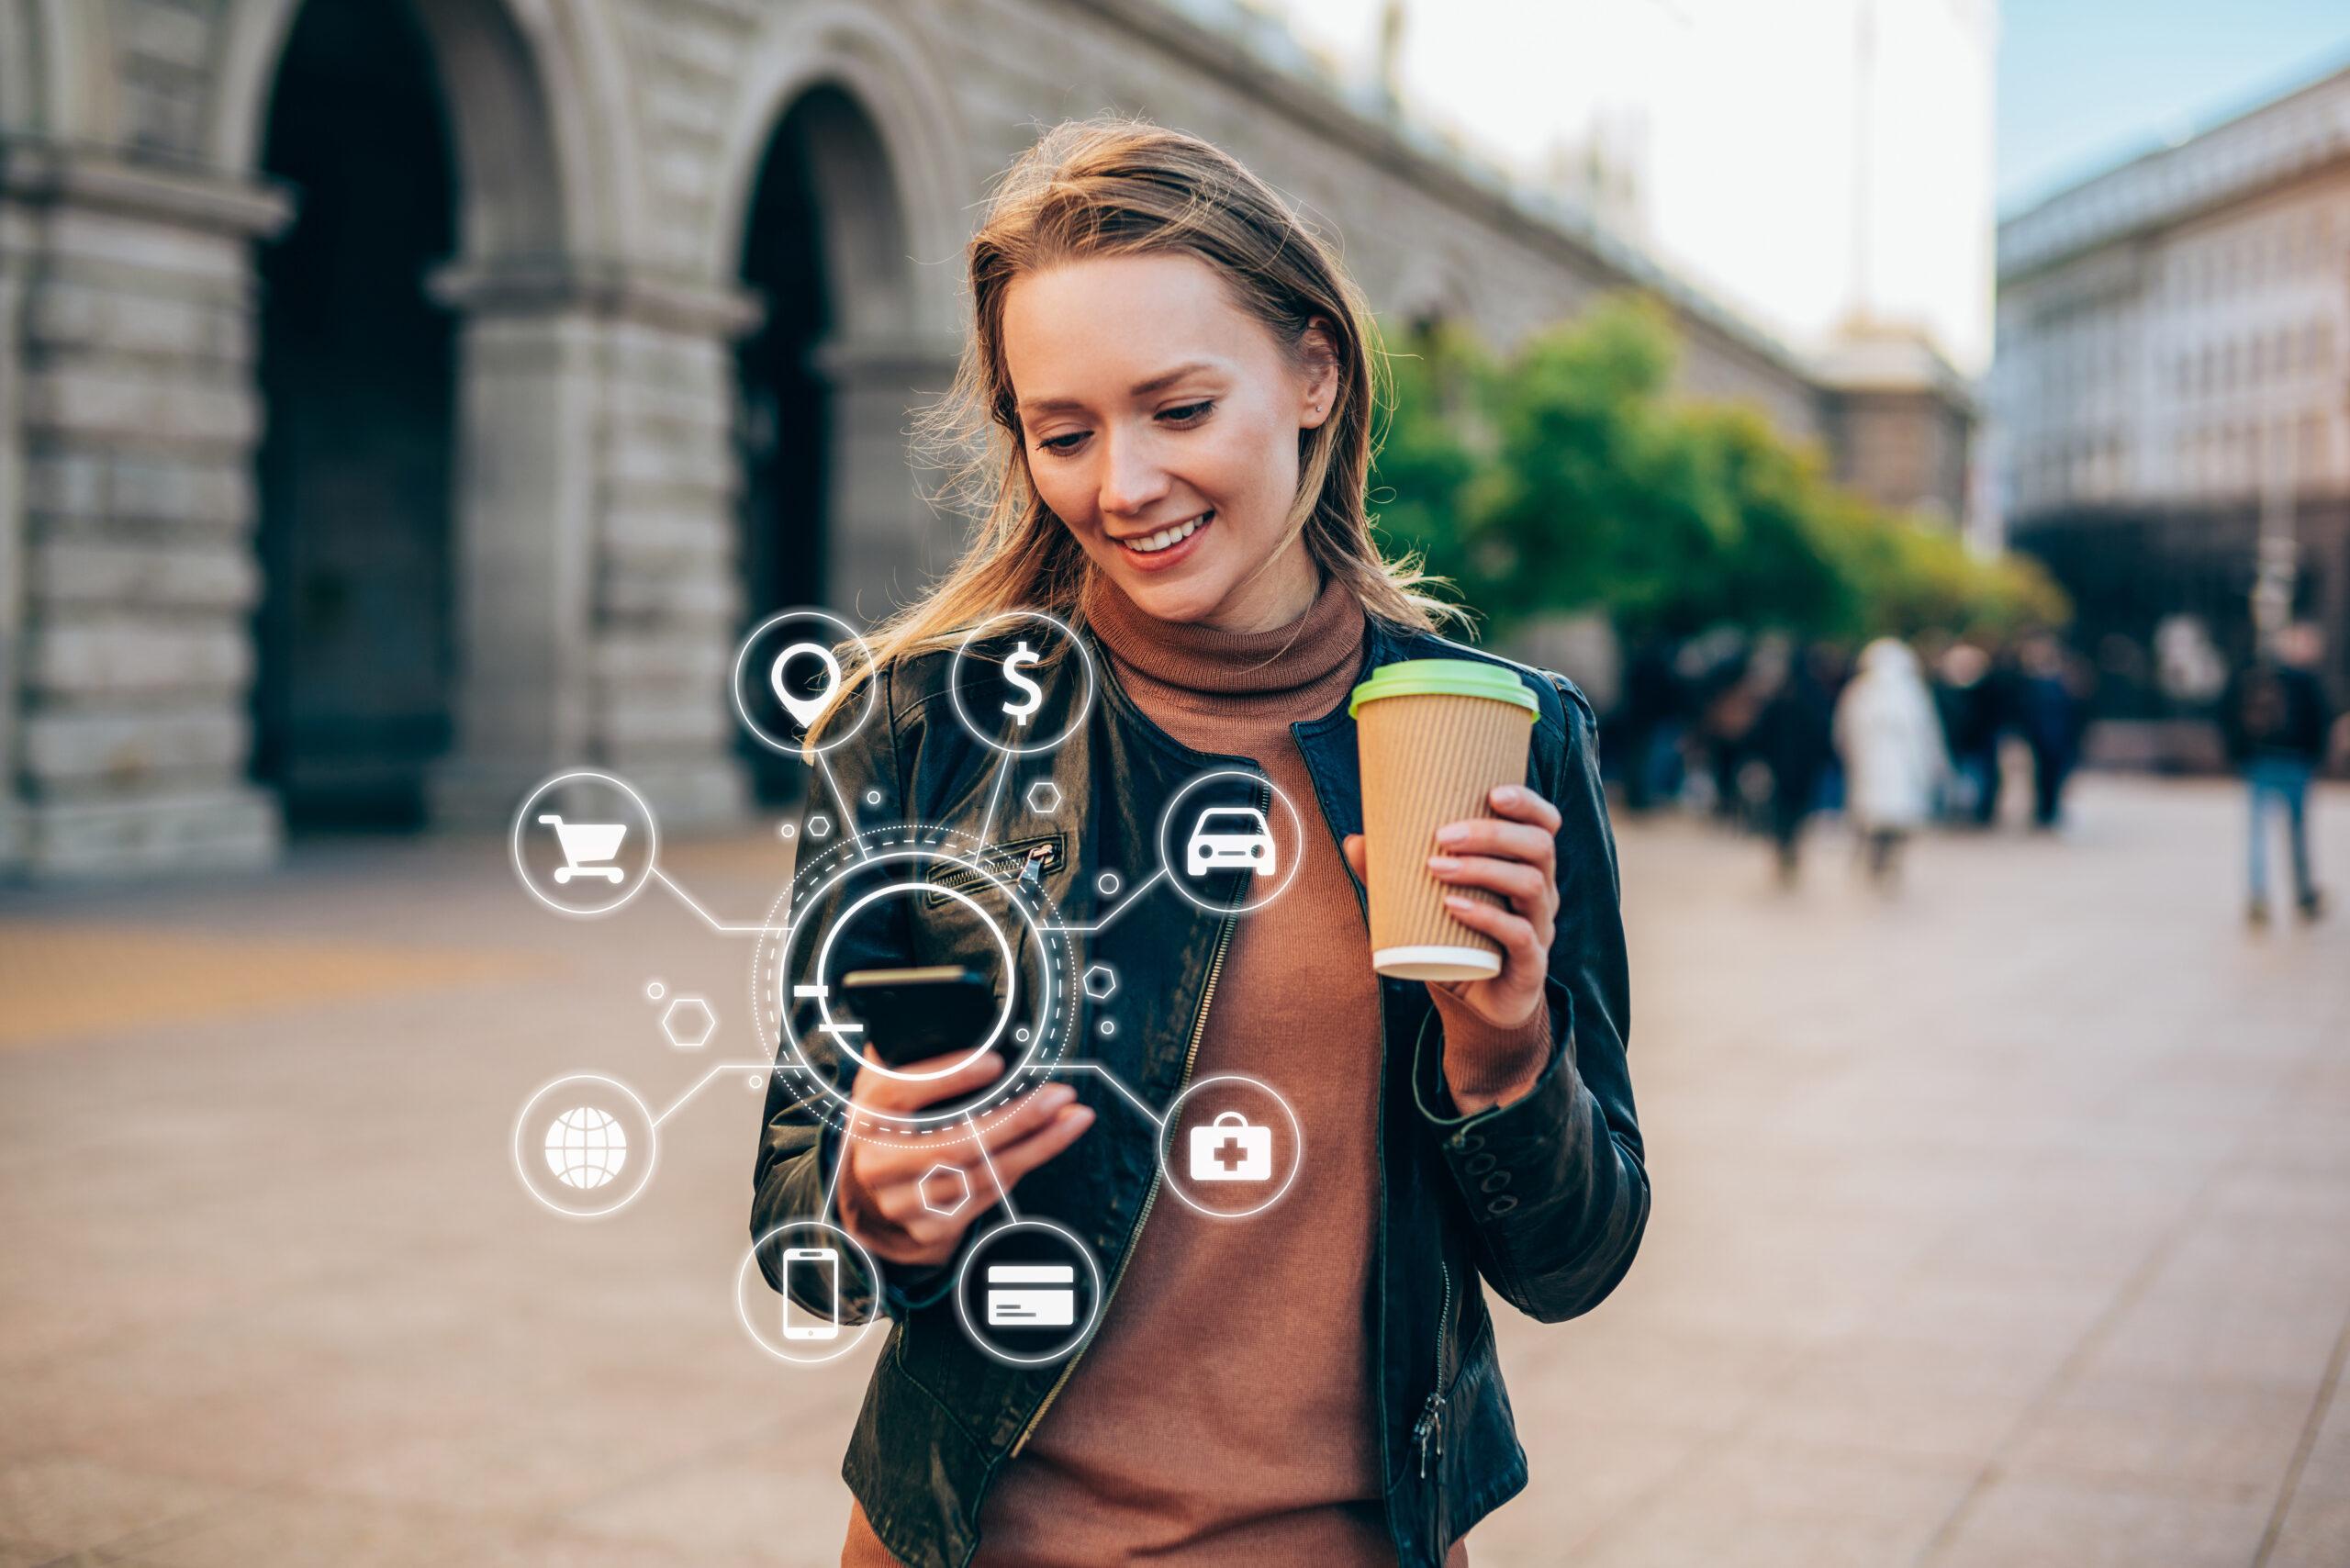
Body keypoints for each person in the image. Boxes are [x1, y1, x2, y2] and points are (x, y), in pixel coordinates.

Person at [748, 119, 1648, 1568]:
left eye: (1178, 409)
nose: (1123, 486)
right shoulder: (920, 730)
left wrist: (1504, 1057)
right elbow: (798, 1219)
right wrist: (870, 1209)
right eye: (1065, 431)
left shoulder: (1510, 739)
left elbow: (1576, 1260)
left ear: (1313, 371)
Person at [2220, 623, 2333, 925]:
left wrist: (2239, 755)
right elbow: (2320, 723)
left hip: (2260, 760)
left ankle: (2258, 894)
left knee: (2258, 833)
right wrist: (2315, 759)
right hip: (2295, 762)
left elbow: (2228, 712)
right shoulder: (2306, 680)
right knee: (2297, 832)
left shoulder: (2256, 676)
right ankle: (2303, 893)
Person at [1832, 638, 1949, 885]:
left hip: (1877, 770)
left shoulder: (1860, 691)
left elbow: (1842, 733)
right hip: (1895, 770)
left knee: (1879, 817)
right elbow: (1927, 734)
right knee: (1891, 818)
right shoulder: (1910, 692)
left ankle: (1881, 860)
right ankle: (1886, 860)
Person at [1749, 640, 1836, 882]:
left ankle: (1784, 847)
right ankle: (1790, 848)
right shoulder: (1814, 698)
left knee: (1782, 812)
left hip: (1781, 767)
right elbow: (1823, 733)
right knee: (1797, 813)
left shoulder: (1780, 698)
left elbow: (1761, 733)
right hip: (1805, 769)